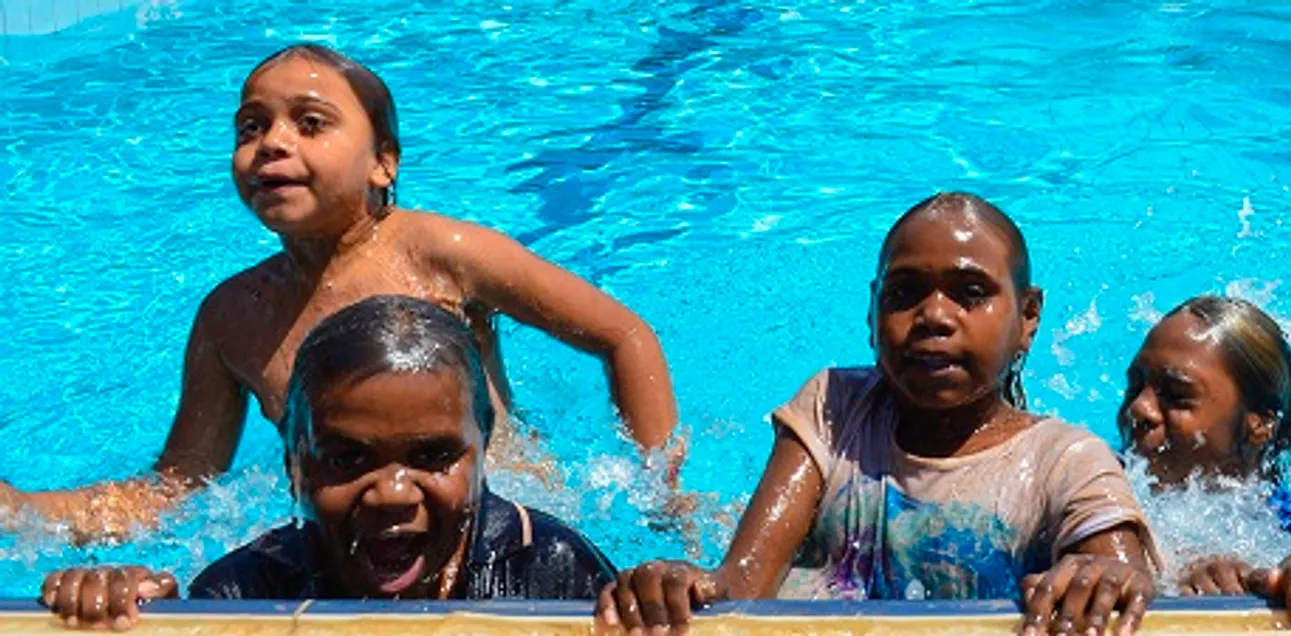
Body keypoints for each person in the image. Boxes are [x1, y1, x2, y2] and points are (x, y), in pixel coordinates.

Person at [0, 44, 680, 538]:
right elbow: (180, 487)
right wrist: (22, 511)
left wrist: (657, 493)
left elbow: (623, 335)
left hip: (501, 515)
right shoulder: (231, 318)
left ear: (383, 162)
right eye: (251, 126)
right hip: (355, 541)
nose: (271, 143)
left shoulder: (445, 255)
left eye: (310, 122)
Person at [596, 193, 1158, 636]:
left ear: (1028, 317)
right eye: (905, 293)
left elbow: (1130, 577)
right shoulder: (834, 410)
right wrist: (680, 584)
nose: (934, 316)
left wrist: (1104, 573)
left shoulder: (1065, 459)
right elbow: (744, 582)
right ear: (872, 310)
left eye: (970, 292)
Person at [39, 296, 617, 630]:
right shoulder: (246, 590)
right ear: (293, 465)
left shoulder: (550, 566)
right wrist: (117, 608)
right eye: (348, 458)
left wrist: (651, 597)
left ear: (483, 450)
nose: (393, 493)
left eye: (433, 455)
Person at [1121, 295, 1291, 628]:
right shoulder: (1099, 486)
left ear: (1260, 425)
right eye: (1135, 387)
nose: (1138, 408)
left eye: (1177, 395)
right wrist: (1175, 571)